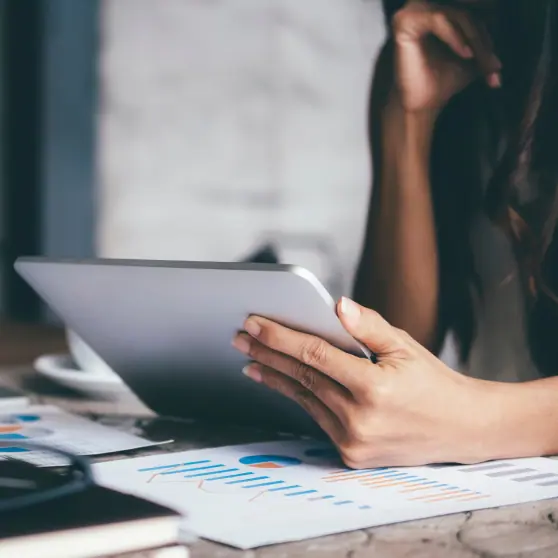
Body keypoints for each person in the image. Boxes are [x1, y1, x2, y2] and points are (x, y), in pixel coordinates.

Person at [232, 0, 558, 468]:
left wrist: (471, 420)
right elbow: (392, 346)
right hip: (485, 483)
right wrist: (408, 119)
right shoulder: (434, 58)